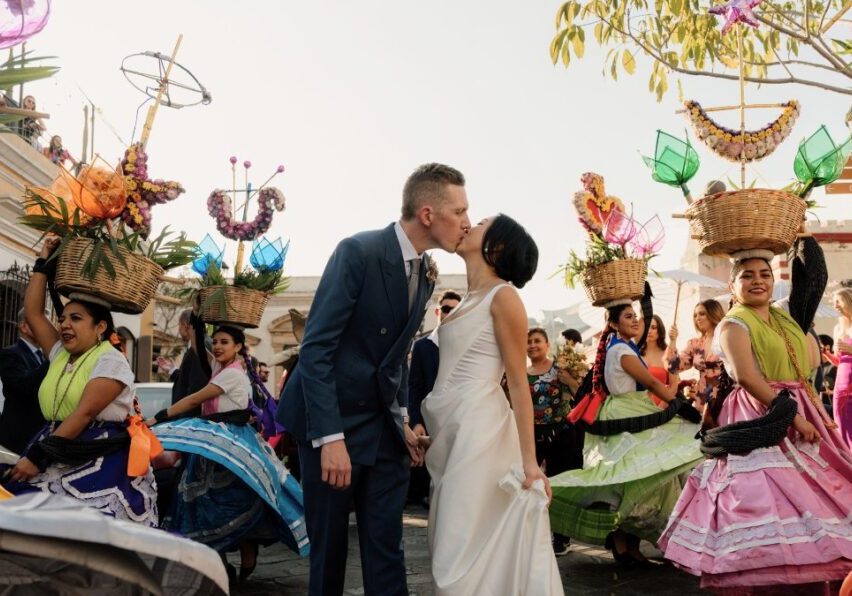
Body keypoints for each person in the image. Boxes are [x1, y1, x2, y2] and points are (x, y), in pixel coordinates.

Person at [278, 163, 471, 596]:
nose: (466, 222)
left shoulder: (425, 272)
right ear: (427, 214)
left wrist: (401, 420)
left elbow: (396, 359)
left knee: (388, 548)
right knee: (328, 556)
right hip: (328, 422)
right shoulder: (358, 252)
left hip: (383, 429)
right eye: (459, 210)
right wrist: (329, 439)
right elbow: (316, 349)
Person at [659, 246, 852, 593]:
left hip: (801, 407)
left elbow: (814, 281)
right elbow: (748, 377)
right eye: (747, 275)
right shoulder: (733, 324)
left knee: (813, 499)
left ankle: (806, 582)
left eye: (764, 274)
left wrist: (802, 238)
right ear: (733, 286)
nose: (757, 281)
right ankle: (775, 582)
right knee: (773, 499)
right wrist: (794, 418)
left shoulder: (782, 315)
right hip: (762, 414)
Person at [420, 215, 563, 595]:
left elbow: (518, 383)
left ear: (496, 247)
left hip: (480, 430)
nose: (468, 223)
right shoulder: (468, 298)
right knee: (448, 539)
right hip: (450, 429)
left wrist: (529, 464)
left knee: (457, 549)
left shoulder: (504, 296)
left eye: (481, 222)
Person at [0, 237, 158, 526]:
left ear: (99, 327)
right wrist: (42, 263)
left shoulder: (110, 360)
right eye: (62, 318)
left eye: (75, 318)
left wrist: (37, 456)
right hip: (55, 442)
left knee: (75, 530)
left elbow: (83, 414)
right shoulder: (61, 352)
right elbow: (34, 312)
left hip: (97, 455)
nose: (64, 325)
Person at [148, 323, 308, 582]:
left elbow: (193, 400)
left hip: (231, 445)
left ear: (238, 347)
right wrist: (199, 319)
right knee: (202, 502)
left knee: (232, 501)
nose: (218, 346)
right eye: (216, 342)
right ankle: (221, 562)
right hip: (215, 446)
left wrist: (157, 419)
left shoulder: (231, 374)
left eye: (225, 342)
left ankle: (243, 552)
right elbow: (201, 349)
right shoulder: (220, 368)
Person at [549, 300, 703, 564]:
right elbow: (652, 381)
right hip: (627, 413)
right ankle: (623, 545)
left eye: (636, 316)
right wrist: (677, 403)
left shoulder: (621, 345)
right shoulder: (622, 350)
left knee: (634, 477)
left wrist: (645, 297)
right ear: (613, 323)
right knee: (632, 477)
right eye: (628, 316)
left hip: (628, 410)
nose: (635, 321)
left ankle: (628, 546)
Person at [524, 327, 583, 557]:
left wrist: (568, 379)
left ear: (547, 344)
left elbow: (581, 393)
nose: (532, 345)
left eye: (537, 340)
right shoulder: (523, 372)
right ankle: (530, 530)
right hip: (532, 433)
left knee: (560, 482)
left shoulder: (561, 367)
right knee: (529, 481)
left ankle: (561, 537)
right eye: (528, 341)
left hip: (561, 431)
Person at [407, 289, 461, 506]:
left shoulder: (465, 345)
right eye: (447, 309)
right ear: (439, 311)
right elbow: (414, 385)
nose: (450, 313)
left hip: (456, 415)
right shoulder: (422, 346)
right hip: (428, 417)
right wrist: (416, 421)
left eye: (456, 310)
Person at [0, 309, 49, 454]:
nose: (46, 330)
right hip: (17, 439)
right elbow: (24, 386)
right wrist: (53, 359)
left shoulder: (43, 356)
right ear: (24, 327)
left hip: (37, 437)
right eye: (41, 324)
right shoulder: (10, 354)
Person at [672, 299, 725, 408]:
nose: (697, 318)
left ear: (713, 313)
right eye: (695, 315)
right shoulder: (696, 344)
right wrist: (673, 341)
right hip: (702, 399)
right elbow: (674, 366)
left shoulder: (727, 339)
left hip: (725, 396)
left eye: (702, 314)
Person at [170, 309, 209, 415]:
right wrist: (172, 370)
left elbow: (197, 386)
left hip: (189, 419)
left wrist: (184, 420)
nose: (179, 329)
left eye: (179, 325)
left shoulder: (199, 348)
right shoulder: (194, 347)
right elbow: (188, 378)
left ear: (185, 325)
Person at [641, 314, 676, 408]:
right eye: (646, 327)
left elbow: (674, 386)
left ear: (660, 330)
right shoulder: (635, 353)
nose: (649, 331)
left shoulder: (668, 353)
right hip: (637, 406)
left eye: (653, 327)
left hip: (661, 407)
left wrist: (661, 407)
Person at [832, 288, 852, 448]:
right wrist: (825, 354)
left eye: (838, 301)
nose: (834, 305)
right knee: (842, 429)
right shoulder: (838, 328)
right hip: (841, 387)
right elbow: (838, 362)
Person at [818, 333, 838, 413]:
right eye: (822, 349)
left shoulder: (834, 366)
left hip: (831, 405)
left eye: (827, 349)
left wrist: (832, 392)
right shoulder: (814, 365)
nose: (824, 353)